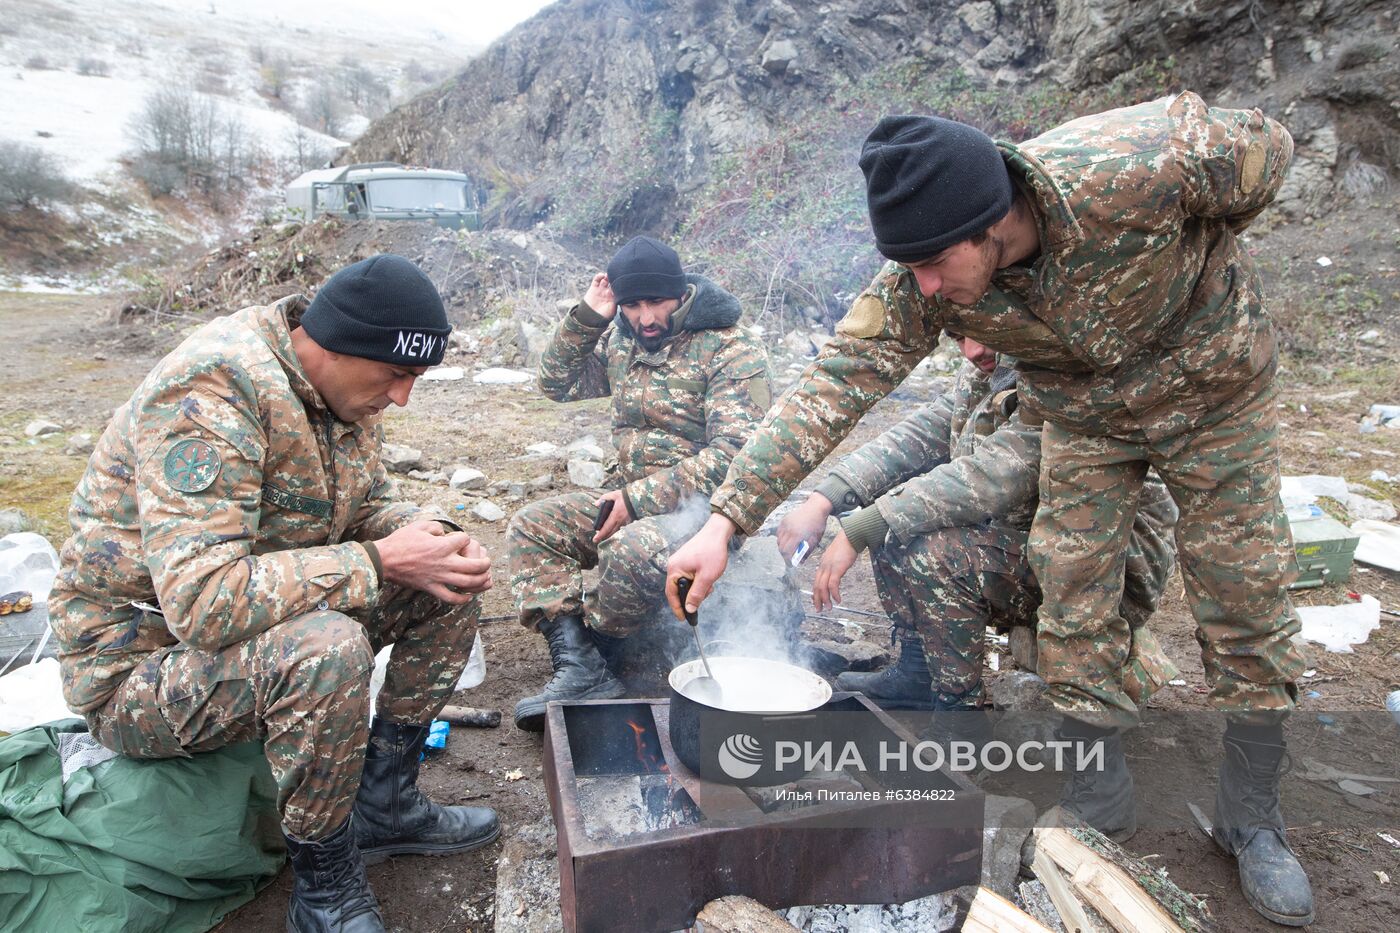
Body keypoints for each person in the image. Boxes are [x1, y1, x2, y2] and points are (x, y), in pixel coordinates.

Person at [666, 94, 1313, 925]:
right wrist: (725, 523)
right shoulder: (923, 280)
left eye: (934, 265)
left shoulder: (1144, 161)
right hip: (1083, 416)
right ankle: (1096, 783)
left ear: (993, 221)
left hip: (1215, 390)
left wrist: (1195, 277)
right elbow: (832, 386)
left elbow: (1270, 154)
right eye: (911, 272)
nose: (925, 289)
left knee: (1244, 597)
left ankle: (1251, 813)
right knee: (1073, 590)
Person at [51, 255, 499, 933]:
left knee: (446, 584)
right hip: (137, 666)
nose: (403, 397)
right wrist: (377, 560)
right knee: (327, 648)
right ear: (335, 346)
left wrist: (423, 536)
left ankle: (385, 803)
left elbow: (367, 502)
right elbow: (201, 600)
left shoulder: (338, 391)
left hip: (249, 627)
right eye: (396, 375)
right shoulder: (211, 390)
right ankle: (324, 886)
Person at [779, 335, 1178, 729]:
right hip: (1042, 543)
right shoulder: (986, 375)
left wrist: (862, 529)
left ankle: (961, 715)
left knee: (935, 550)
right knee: (894, 506)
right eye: (959, 336)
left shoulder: (1062, 376)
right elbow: (913, 439)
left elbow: (996, 474)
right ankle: (919, 672)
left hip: (1106, 569)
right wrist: (825, 499)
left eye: (984, 335)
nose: (972, 350)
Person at [508, 236, 772, 731]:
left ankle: (609, 647)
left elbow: (737, 457)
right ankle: (582, 665)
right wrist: (590, 316)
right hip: (627, 494)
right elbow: (556, 383)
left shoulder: (731, 347)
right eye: (633, 305)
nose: (647, 317)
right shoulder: (623, 341)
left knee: (628, 550)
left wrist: (636, 499)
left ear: (681, 294)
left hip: (709, 515)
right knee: (532, 526)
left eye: (657, 302)